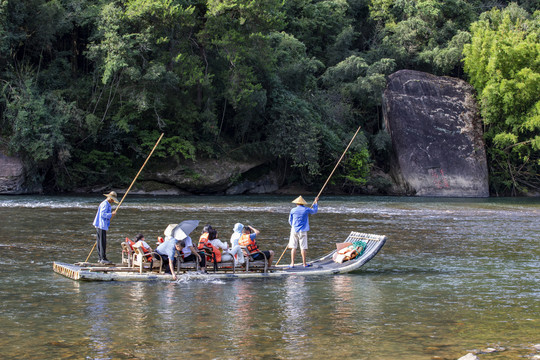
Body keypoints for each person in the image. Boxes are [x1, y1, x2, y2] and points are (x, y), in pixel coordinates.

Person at [288, 195, 318, 268]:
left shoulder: (293, 210)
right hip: (303, 230)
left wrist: (294, 226)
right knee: (303, 247)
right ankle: (304, 264)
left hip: (294, 230)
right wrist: (315, 203)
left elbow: (290, 221)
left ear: (296, 203)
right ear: (303, 203)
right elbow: (314, 211)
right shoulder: (306, 209)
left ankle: (292, 264)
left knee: (293, 247)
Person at [92, 191, 119, 264]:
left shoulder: (106, 203)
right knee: (102, 242)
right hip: (101, 225)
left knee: (99, 241)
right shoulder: (105, 204)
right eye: (112, 199)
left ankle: (101, 258)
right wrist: (111, 214)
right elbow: (103, 214)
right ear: (110, 198)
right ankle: (102, 258)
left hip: (101, 225)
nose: (113, 201)